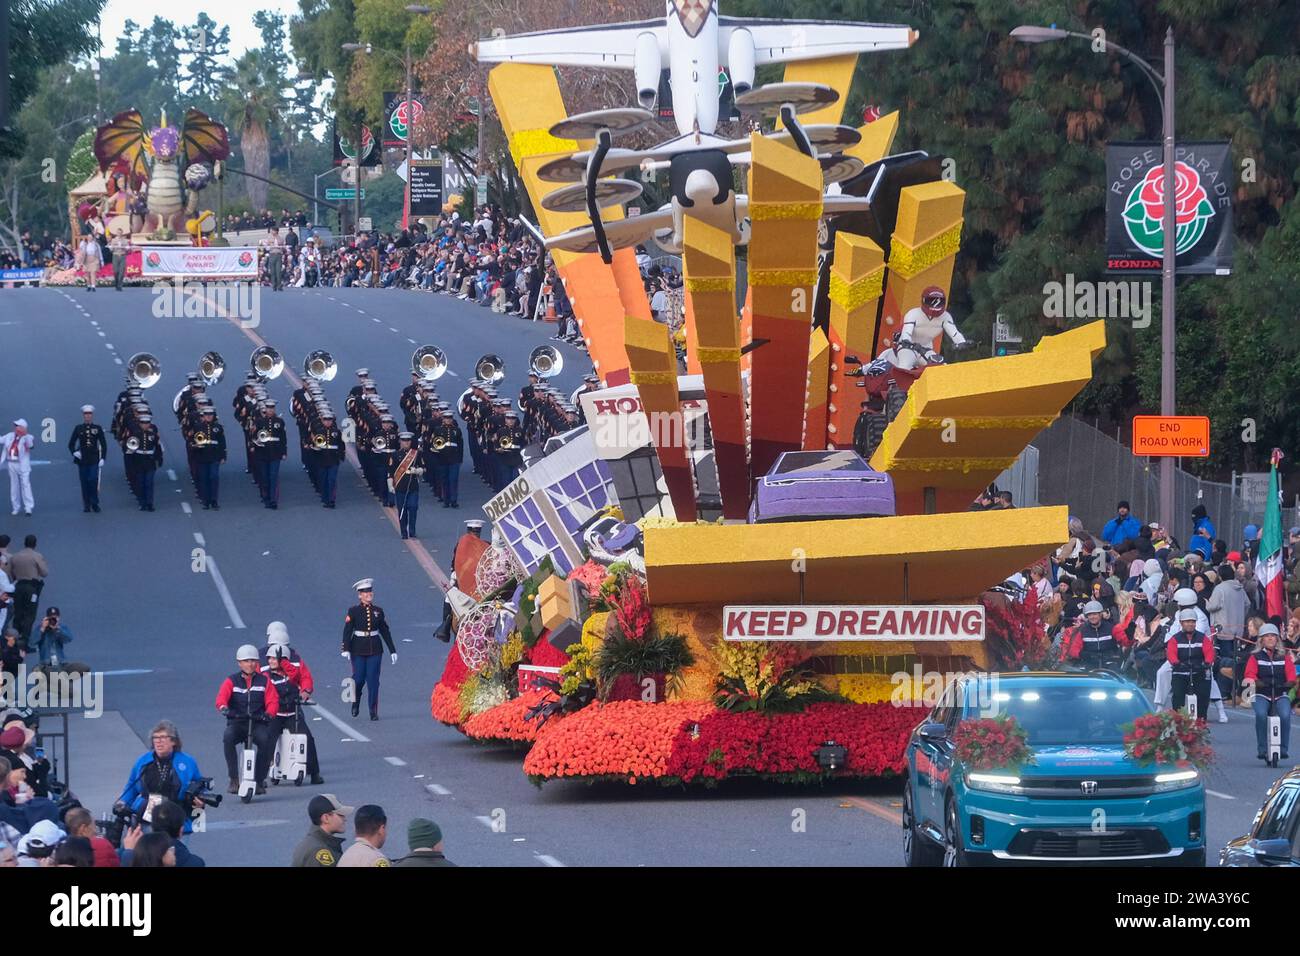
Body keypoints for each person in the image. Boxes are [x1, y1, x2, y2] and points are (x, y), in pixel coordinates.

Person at [118, 720, 206, 830]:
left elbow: (200, 785)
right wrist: (122, 802)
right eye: (155, 738)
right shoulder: (142, 762)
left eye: (163, 737)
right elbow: (131, 786)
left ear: (173, 741)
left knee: (175, 847)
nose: (159, 741)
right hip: (147, 815)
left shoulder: (187, 762)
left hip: (176, 816)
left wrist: (200, 801)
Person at [215, 645, 279, 794]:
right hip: (238, 722)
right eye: (246, 661)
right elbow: (221, 698)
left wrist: (269, 713)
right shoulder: (231, 681)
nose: (249, 664)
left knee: (265, 741)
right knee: (228, 737)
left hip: (257, 722)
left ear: (257, 662)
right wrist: (224, 708)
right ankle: (234, 779)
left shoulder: (264, 681)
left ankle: (259, 780)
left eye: (252, 661)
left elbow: (273, 701)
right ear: (239, 663)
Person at [265, 644, 323, 785]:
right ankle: (261, 777)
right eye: (270, 659)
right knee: (266, 742)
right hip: (275, 716)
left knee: (308, 738)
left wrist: (283, 662)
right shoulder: (266, 676)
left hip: (292, 714)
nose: (270, 662)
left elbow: (297, 675)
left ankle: (314, 773)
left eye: (274, 659)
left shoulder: (291, 674)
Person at [342, 579, 396, 720]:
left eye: (370, 591)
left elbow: (385, 631)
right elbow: (348, 630)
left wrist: (392, 650)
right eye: (365, 592)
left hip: (375, 649)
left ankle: (373, 710)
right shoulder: (353, 611)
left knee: (373, 680)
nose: (368, 594)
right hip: (357, 649)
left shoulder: (378, 611)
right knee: (358, 679)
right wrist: (346, 648)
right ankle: (355, 702)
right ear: (359, 595)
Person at [1243, 623, 1295, 761]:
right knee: (1260, 714)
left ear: (1277, 639)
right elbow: (1249, 674)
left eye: (1273, 636)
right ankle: (1262, 749)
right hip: (1261, 693)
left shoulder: (1284, 657)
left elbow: (1291, 674)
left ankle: (1283, 749)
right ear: (1261, 640)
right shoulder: (1255, 657)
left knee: (1285, 715)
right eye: (1267, 636)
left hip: (1280, 693)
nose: (1270, 638)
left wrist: (1288, 683)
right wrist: (1258, 682)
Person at [1167, 607, 1215, 721]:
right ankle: (1178, 723)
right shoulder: (1175, 639)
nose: (1190, 624)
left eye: (1193, 622)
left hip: (1199, 671)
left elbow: (1209, 651)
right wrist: (1176, 662)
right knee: (1178, 697)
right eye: (1187, 622)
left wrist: (1207, 662)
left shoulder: (1202, 638)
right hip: (1180, 671)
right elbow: (1171, 653)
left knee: (1203, 697)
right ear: (1181, 623)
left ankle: (1202, 721)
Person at [291, 793, 352, 867]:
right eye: (340, 815)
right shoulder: (319, 851)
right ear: (326, 818)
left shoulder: (314, 842)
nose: (345, 819)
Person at [8, 535, 47, 648]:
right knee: (30, 614)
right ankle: (24, 640)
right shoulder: (37, 556)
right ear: (35, 544)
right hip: (32, 588)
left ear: (24, 543)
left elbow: (11, 574)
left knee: (18, 612)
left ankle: (13, 638)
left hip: (19, 587)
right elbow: (44, 572)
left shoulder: (15, 556)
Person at [68, 405, 108, 513]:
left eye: (89, 414)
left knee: (93, 480)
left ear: (92, 415)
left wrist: (103, 458)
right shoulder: (78, 428)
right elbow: (71, 443)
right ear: (83, 416)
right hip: (82, 459)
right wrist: (74, 452)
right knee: (84, 482)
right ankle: (86, 504)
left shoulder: (97, 428)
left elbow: (103, 444)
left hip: (94, 459)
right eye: (86, 414)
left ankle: (94, 503)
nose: (88, 416)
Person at [252, 400, 287, 509]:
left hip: (275, 453)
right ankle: (265, 497)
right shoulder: (259, 422)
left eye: (272, 408)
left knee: (273, 476)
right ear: (265, 409)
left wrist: (284, 452)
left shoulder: (280, 422)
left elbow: (283, 438)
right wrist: (254, 445)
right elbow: (253, 436)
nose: (270, 410)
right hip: (262, 453)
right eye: (268, 408)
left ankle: (273, 500)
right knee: (264, 477)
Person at [388, 432, 423, 539]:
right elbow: (390, 472)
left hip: (412, 487)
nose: (406, 442)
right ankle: (404, 532)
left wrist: (417, 470)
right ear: (400, 442)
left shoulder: (416, 454)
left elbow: (423, 467)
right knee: (402, 511)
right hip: (400, 487)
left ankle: (412, 530)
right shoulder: (394, 455)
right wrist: (390, 486)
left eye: (408, 440)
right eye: (404, 440)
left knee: (413, 508)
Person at [1, 419, 35, 516]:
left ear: (23, 428)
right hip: (11, 464)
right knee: (14, 486)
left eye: (18, 426)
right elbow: (1, 440)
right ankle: (15, 507)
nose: (16, 428)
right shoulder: (9, 436)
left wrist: (25, 435)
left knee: (25, 485)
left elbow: (31, 445)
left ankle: (28, 507)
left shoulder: (28, 437)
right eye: (15, 426)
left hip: (23, 465)